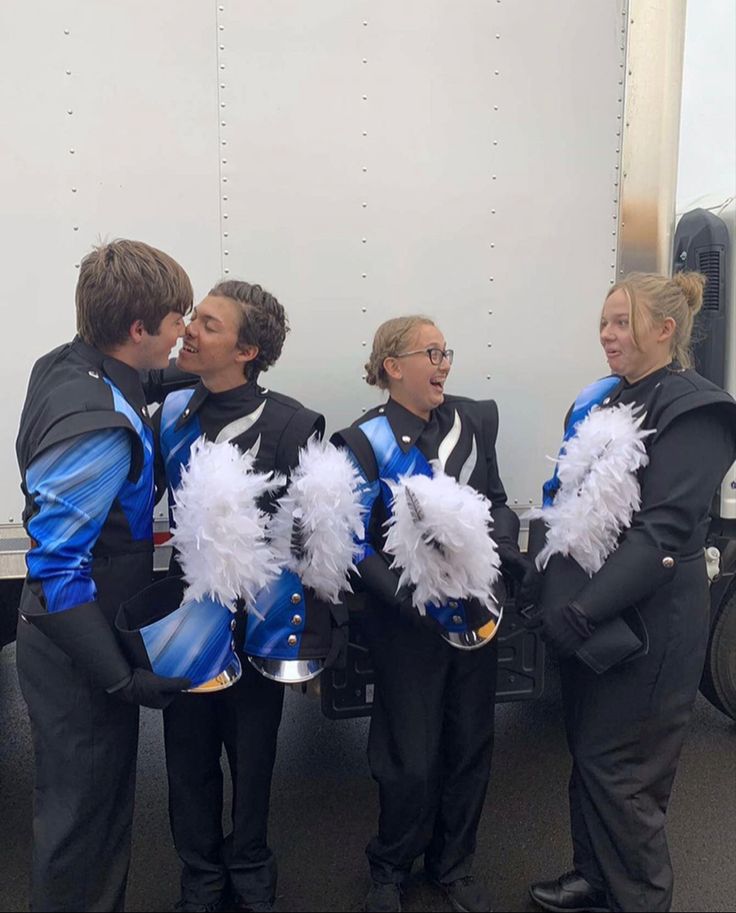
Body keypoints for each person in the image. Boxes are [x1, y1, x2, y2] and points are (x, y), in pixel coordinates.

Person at [527, 272, 736, 913]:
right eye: (605, 321)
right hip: (596, 623)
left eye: (623, 322)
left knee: (626, 775)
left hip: (647, 627)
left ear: (665, 329)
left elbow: (663, 533)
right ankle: (594, 876)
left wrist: (583, 610)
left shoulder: (696, 408)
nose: (608, 335)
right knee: (590, 756)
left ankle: (639, 898)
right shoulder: (611, 399)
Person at [331, 315, 536, 913]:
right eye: (431, 352)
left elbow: (495, 502)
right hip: (406, 626)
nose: (444, 362)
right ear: (394, 366)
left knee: (471, 742)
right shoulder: (362, 443)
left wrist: (502, 552)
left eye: (447, 351)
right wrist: (403, 599)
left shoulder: (471, 422)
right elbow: (349, 539)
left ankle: (454, 865)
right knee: (410, 755)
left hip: (476, 609)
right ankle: (390, 868)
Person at [14, 239, 194, 912]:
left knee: (92, 811)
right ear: (139, 329)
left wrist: (202, 370)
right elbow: (57, 570)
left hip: (75, 642)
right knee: (79, 826)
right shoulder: (97, 429)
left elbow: (140, 382)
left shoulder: (66, 365)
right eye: (177, 322)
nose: (184, 335)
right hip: (76, 651)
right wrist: (122, 679)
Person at [156, 280, 325, 913]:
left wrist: (311, 627)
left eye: (210, 324)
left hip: (261, 616)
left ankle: (251, 867)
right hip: (188, 612)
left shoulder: (294, 422)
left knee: (253, 756)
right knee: (187, 757)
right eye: (194, 318)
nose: (190, 330)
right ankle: (199, 875)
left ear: (248, 350)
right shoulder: (170, 412)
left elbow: (312, 533)